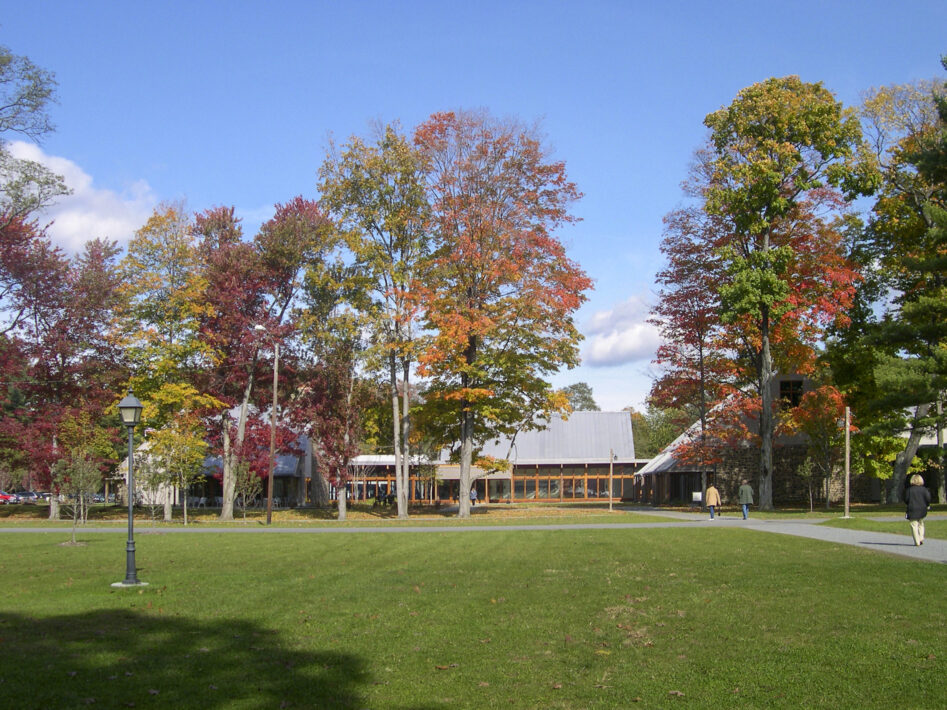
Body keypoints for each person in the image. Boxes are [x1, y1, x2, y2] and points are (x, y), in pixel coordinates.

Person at [905, 474, 931, 546]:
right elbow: (928, 498)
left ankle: (917, 541)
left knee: (914, 525)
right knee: (921, 523)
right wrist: (927, 505)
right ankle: (921, 537)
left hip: (912, 508)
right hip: (922, 508)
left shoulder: (909, 490)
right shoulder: (924, 489)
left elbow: (906, 499)